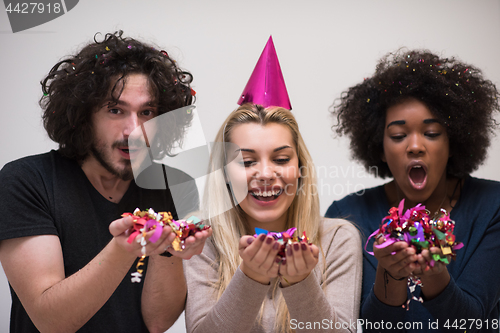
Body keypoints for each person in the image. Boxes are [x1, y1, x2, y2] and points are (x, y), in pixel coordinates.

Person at [0, 31, 211, 333]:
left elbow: (158, 321)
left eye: (147, 112)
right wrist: (124, 248)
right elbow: (51, 321)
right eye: (115, 110)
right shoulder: (27, 181)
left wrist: (170, 249)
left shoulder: (172, 185)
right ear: (83, 116)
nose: (133, 130)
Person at [325, 49, 500, 332]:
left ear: (452, 141)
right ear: (379, 147)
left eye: (431, 133)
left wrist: (433, 273)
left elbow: (472, 322)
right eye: (398, 135)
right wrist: (391, 275)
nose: (415, 146)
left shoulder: (493, 205)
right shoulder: (346, 216)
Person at [184, 104, 362, 333]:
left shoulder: (338, 238)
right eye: (247, 162)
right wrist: (251, 277)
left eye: (280, 159)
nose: (266, 174)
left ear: (300, 169)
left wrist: (300, 282)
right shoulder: (201, 240)